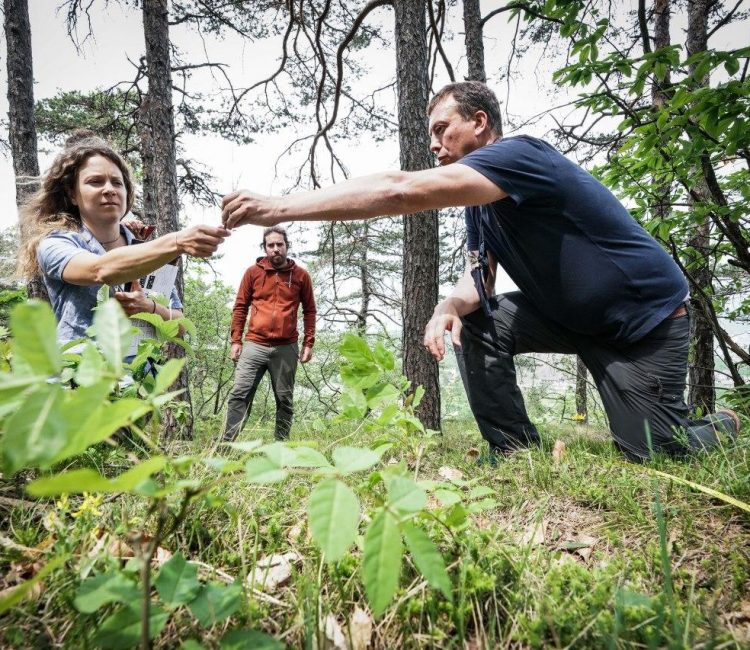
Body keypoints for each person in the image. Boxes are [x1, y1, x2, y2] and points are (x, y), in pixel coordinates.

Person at [219, 80, 741, 461]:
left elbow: (401, 190)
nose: (434, 143)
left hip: (643, 323)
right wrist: (449, 305)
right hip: (570, 317)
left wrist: (280, 206)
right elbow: (481, 281)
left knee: (655, 451)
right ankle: (515, 449)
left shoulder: (520, 156)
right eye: (432, 134)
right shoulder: (480, 206)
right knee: (478, 322)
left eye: (443, 129)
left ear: (480, 123)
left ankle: (723, 424)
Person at [17, 138, 229, 349]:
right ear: (72, 194)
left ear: (127, 193)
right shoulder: (56, 243)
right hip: (81, 373)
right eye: (95, 181)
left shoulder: (147, 249)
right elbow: (99, 270)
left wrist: (150, 308)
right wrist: (177, 240)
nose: (109, 189)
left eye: (117, 183)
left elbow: (180, 325)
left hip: (139, 377)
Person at [222, 226, 316, 442]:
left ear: (287, 246)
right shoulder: (252, 273)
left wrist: (308, 343)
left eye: (279, 245)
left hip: (286, 347)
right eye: (270, 245)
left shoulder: (301, 275)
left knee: (284, 399)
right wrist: (236, 340)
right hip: (254, 344)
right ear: (264, 248)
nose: (275, 249)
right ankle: (226, 445)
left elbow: (309, 310)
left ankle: (280, 448)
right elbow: (240, 307)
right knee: (239, 394)